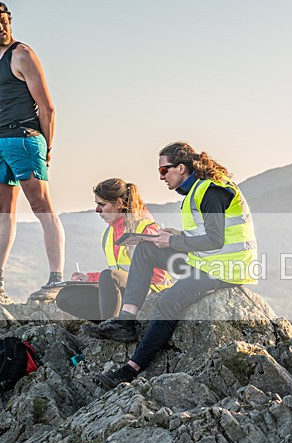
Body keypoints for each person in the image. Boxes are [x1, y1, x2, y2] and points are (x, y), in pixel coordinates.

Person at [85, 142, 257, 389]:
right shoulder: (198, 190)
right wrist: (176, 235)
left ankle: (131, 369)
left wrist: (173, 241)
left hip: (226, 268)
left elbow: (215, 240)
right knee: (145, 249)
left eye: (164, 170)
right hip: (207, 261)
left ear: (181, 168)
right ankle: (125, 322)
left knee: (168, 302)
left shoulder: (211, 191)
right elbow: (207, 234)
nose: (161, 177)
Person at [0, 2, 65, 304]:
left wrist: (47, 147)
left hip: (24, 138)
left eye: (3, 20)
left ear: (10, 21)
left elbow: (47, 107)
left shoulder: (22, 54)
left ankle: (56, 278)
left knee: (42, 207)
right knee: (4, 212)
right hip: (0, 141)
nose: (0, 27)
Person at [55, 178, 170, 321]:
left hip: (149, 292)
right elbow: (115, 275)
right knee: (65, 296)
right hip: (122, 291)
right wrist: (89, 278)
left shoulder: (145, 228)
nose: (97, 210)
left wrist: (113, 279)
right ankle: (107, 323)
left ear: (119, 204)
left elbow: (158, 277)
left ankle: (110, 326)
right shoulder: (108, 234)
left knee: (109, 276)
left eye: (102, 204)